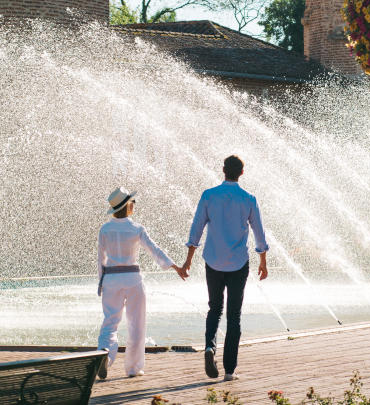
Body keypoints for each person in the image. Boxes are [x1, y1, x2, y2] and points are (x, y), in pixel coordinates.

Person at [182, 155, 269, 382]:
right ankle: (229, 371)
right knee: (234, 315)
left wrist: (188, 259)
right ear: (242, 172)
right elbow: (259, 233)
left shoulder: (209, 195)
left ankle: (210, 346)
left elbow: (196, 228)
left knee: (214, 309)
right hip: (238, 263)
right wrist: (263, 261)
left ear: (223, 170)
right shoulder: (248, 198)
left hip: (213, 261)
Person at [96, 187, 186, 379]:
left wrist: (101, 283)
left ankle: (104, 353)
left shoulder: (105, 229)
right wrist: (174, 266)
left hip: (111, 278)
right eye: (132, 202)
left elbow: (100, 260)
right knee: (137, 324)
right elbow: (155, 250)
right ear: (128, 206)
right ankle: (133, 368)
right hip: (133, 278)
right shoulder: (136, 229)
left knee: (110, 322)